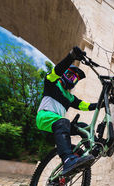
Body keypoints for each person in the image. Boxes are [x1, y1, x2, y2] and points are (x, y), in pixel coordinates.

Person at [36, 46, 96, 176]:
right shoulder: (52, 83)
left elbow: (85, 105)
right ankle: (68, 159)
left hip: (60, 123)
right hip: (44, 117)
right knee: (63, 122)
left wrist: (102, 103)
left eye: (75, 78)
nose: (72, 79)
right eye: (69, 75)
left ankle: (94, 149)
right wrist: (71, 57)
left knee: (84, 127)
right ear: (64, 75)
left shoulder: (70, 97)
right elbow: (57, 71)